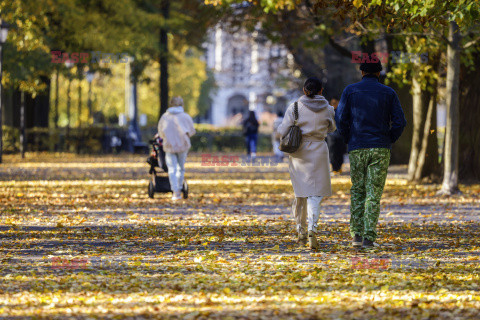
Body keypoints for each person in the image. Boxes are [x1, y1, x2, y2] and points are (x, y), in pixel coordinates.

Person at [335, 58, 406, 249]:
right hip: (380, 147)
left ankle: (356, 235)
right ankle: (368, 237)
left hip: (357, 147)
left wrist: (348, 137)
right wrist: (389, 138)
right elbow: (400, 121)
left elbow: (340, 118)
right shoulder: (388, 92)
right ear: (379, 73)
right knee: (373, 194)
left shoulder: (350, 91)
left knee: (357, 190)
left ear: (362, 72)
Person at [277, 77, 336, 250]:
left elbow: (282, 130)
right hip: (319, 150)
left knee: (300, 194)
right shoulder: (328, 109)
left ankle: (300, 230)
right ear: (321, 91)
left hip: (299, 152)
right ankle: (312, 229)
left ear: (304, 90)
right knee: (316, 194)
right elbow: (332, 128)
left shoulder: (295, 107)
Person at [158, 96, 196, 201]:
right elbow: (192, 131)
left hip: (169, 146)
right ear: (181, 105)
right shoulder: (186, 117)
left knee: (172, 169)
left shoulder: (165, 117)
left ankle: (175, 192)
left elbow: (161, 133)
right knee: (181, 168)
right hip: (183, 145)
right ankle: (179, 189)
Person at [326, 98, 347, 174]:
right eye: (333, 103)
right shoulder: (328, 112)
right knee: (332, 153)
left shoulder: (342, 111)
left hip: (340, 135)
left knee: (340, 152)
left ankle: (339, 167)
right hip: (331, 136)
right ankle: (335, 168)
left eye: (336, 103)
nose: (334, 104)